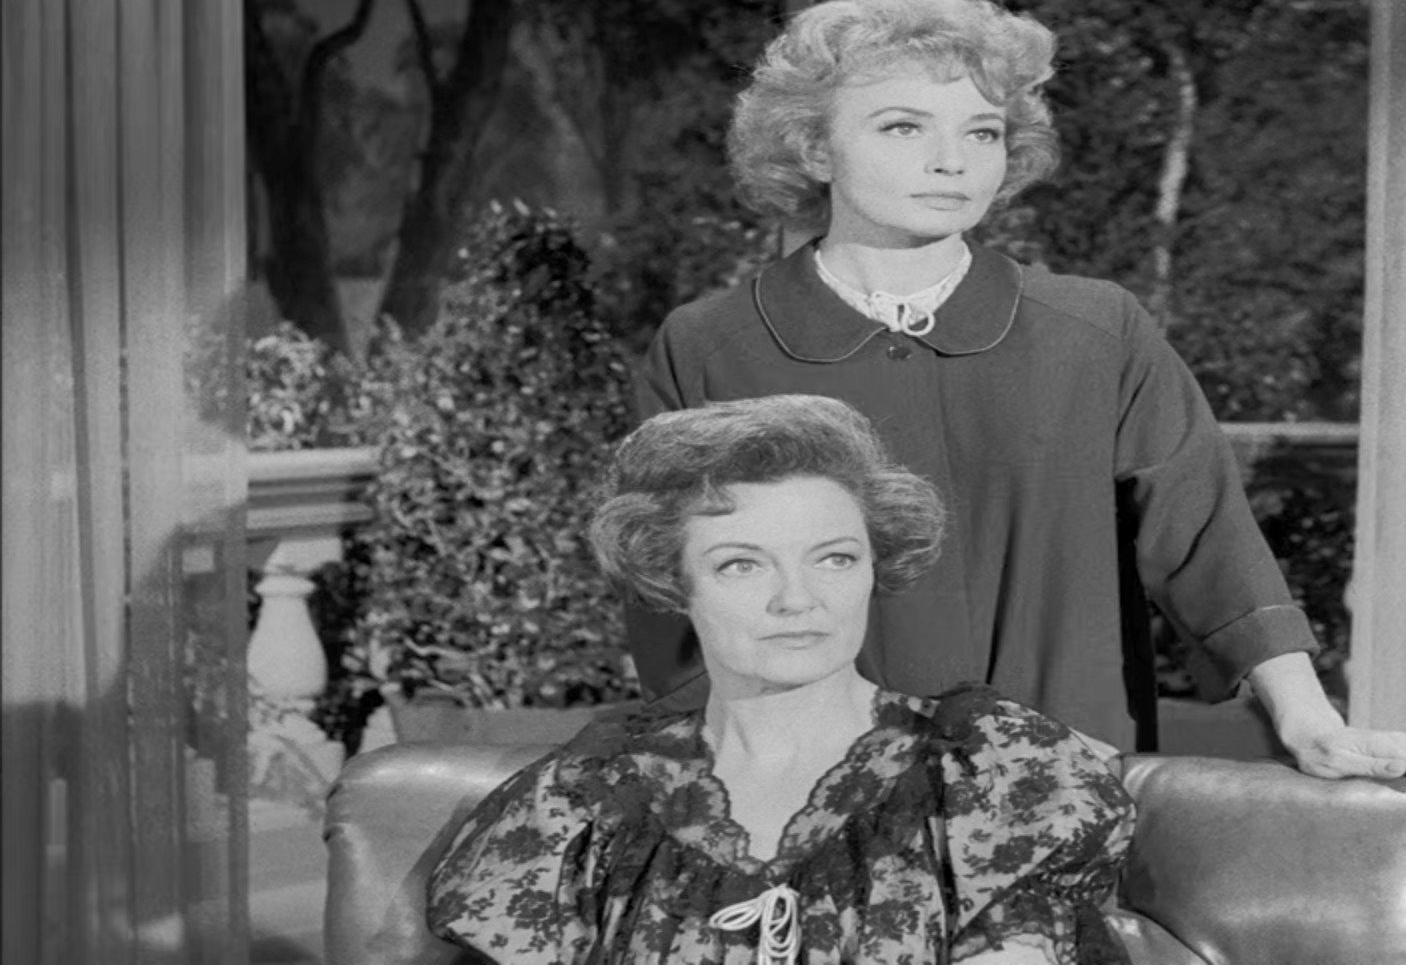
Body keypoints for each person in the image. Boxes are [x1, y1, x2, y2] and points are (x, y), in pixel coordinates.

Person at [628, 0, 1406, 806]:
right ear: (815, 148)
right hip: (807, 799)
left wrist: (1311, 720)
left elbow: (1207, 543)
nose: (951, 162)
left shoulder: (1094, 331)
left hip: (1058, 792)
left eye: (981, 133)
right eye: (902, 127)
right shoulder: (709, 348)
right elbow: (670, 602)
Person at [428, 395, 1134, 964]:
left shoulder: (988, 771)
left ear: (876, 567)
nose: (797, 599)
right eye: (742, 565)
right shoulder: (588, 800)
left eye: (834, 559)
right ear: (674, 582)